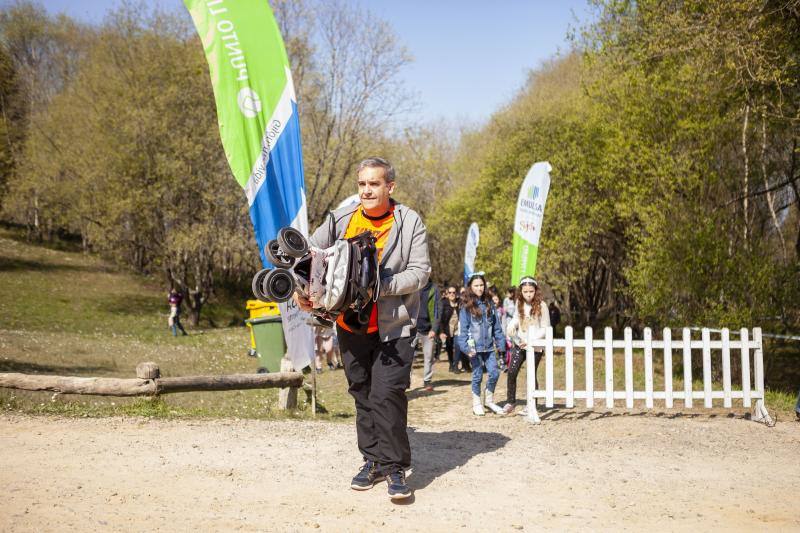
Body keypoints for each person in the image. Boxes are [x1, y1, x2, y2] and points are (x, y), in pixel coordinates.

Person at [294, 157, 429, 500]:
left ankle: (395, 467)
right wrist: (304, 292)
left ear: (389, 187)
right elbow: (309, 256)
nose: (367, 190)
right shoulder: (340, 219)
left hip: (393, 326)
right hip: (350, 325)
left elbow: (420, 272)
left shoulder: (409, 221)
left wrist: (376, 286)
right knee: (362, 393)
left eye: (375, 184)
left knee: (387, 394)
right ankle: (372, 460)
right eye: (362, 184)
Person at [456, 273, 506, 416]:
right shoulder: (466, 306)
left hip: (489, 347)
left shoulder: (490, 304)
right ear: (471, 287)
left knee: (494, 373)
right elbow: (463, 330)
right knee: (477, 375)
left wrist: (501, 345)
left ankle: (489, 400)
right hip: (474, 348)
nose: (479, 288)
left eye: (481, 285)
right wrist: (466, 348)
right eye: (476, 285)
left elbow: (497, 327)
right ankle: (477, 403)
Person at [504, 277, 550, 416]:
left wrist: (533, 340)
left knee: (531, 374)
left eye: (531, 291)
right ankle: (511, 401)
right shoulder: (519, 303)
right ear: (521, 292)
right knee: (512, 371)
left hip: (535, 346)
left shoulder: (542, 306)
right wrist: (512, 325)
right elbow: (517, 318)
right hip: (520, 344)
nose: (528, 294)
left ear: (536, 291)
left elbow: (545, 328)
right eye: (525, 291)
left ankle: (532, 404)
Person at [415, 279, 440, 391]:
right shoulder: (414, 285)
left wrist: (434, 329)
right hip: (413, 328)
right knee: (408, 357)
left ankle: (427, 381)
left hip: (428, 329)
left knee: (429, 356)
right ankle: (405, 381)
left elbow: (438, 310)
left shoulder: (434, 289)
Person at [438, 285, 463, 373]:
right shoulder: (443, 303)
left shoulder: (460, 302)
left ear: (456, 294)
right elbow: (440, 319)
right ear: (447, 294)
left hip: (458, 329)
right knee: (449, 348)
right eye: (450, 292)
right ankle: (451, 364)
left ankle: (456, 365)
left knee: (458, 345)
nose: (452, 294)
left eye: (454, 292)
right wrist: (441, 331)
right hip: (447, 329)